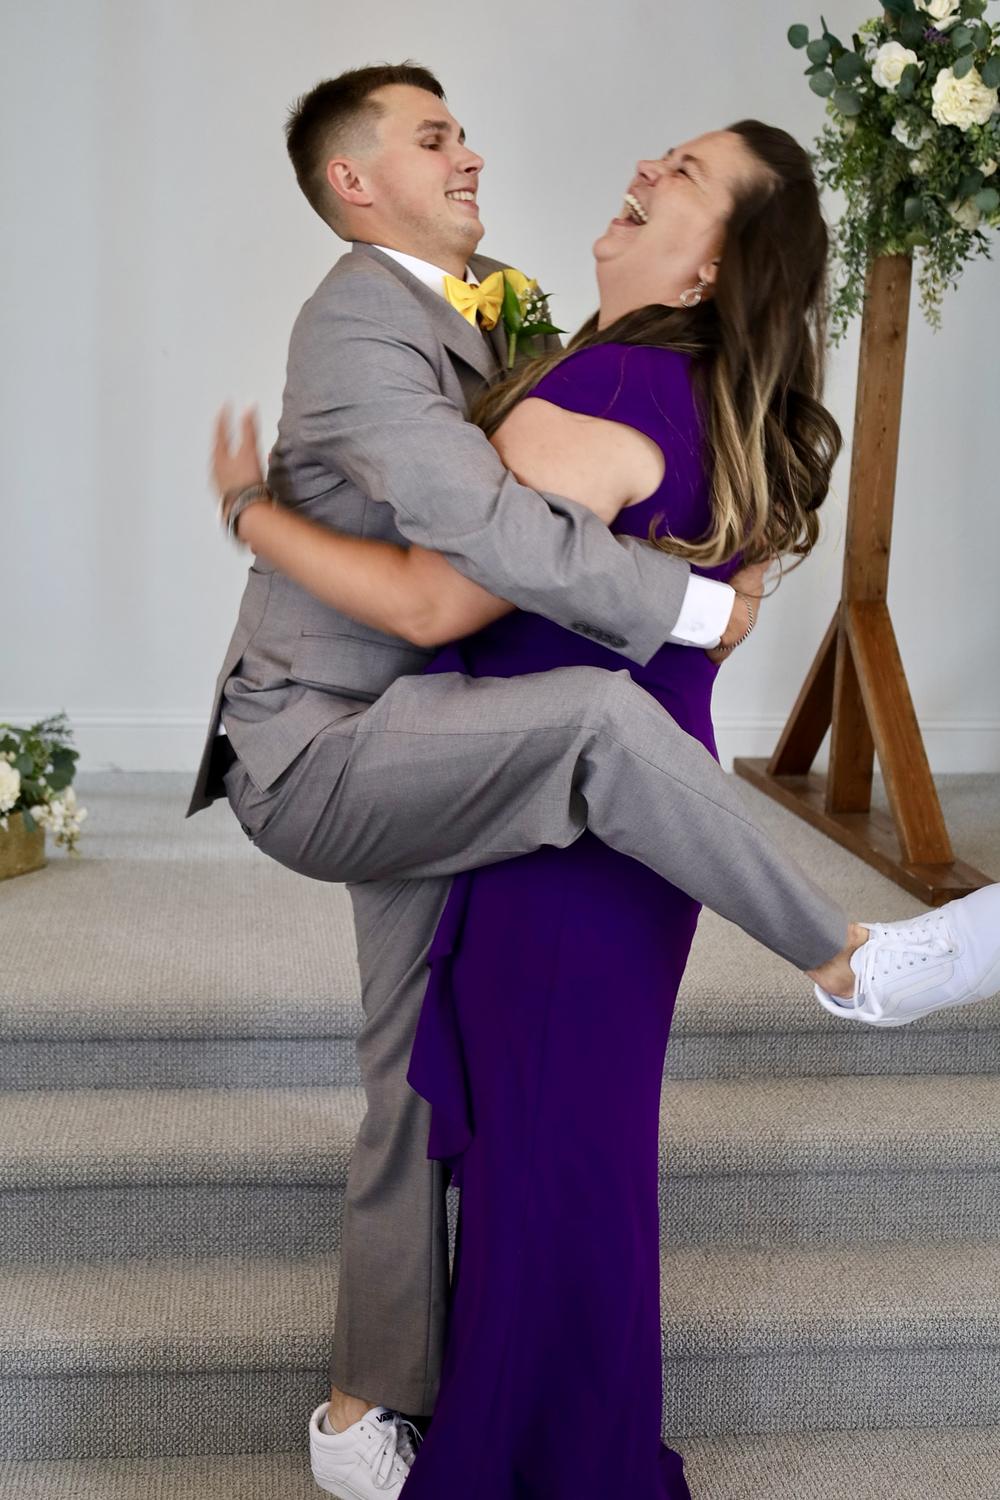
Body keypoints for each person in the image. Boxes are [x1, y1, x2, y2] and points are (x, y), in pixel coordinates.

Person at [202, 67, 1000, 1499]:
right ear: (355, 185)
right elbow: (453, 584)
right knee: (489, 1092)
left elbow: (459, 580)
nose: (473, 154)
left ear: (712, 268)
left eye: (680, 172)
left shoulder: (569, 354)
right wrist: (255, 513)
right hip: (413, 748)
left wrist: (257, 510)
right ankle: (849, 959)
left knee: (429, 1091)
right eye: (435, 137)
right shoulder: (407, 328)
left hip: (494, 772)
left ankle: (371, 1416)